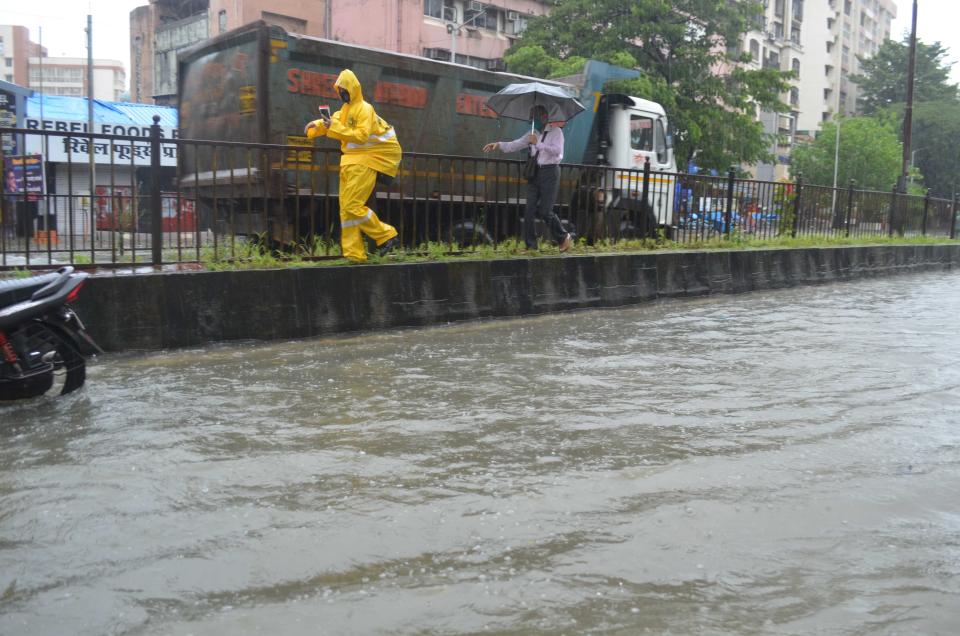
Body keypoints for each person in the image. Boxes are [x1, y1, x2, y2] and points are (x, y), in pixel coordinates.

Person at [304, 69, 401, 262]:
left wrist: (332, 127)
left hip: (368, 159)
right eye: (339, 90)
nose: (341, 93)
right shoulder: (345, 111)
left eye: (343, 89)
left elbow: (361, 135)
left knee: (353, 206)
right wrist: (315, 127)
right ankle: (354, 254)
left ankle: (387, 235)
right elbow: (333, 123)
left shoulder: (365, 109)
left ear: (352, 89)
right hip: (351, 162)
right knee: (346, 210)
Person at [483, 105, 573, 252]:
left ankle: (563, 236)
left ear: (544, 116)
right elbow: (515, 144)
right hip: (534, 173)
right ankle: (531, 246)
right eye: (531, 118)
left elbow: (558, 152)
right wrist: (498, 145)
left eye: (535, 117)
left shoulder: (556, 132)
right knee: (529, 210)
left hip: (550, 172)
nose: (533, 120)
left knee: (545, 211)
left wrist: (538, 144)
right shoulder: (532, 133)